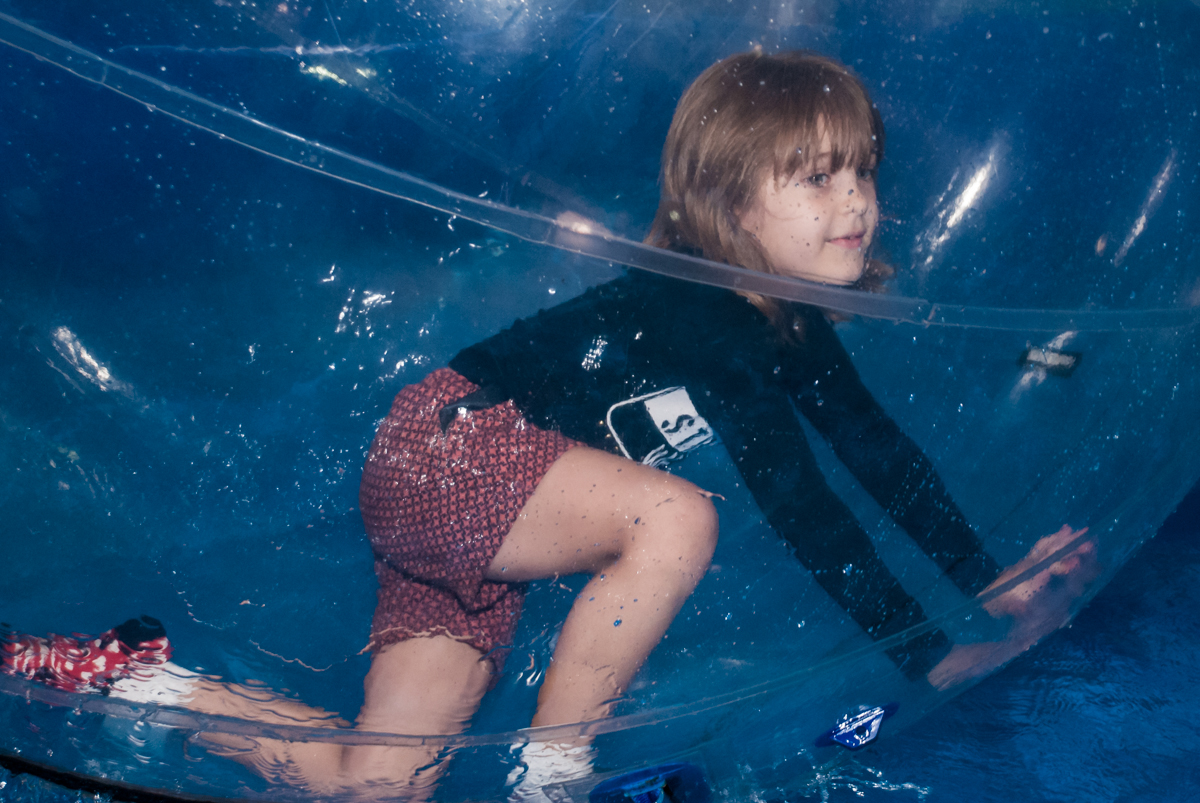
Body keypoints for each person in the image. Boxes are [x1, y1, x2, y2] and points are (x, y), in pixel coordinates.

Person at [3, 50, 1096, 799]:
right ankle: (554, 767)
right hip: (456, 444)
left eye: (862, 169)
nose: (855, 200)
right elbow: (803, 502)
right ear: (726, 205)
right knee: (677, 518)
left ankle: (137, 677)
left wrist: (987, 587)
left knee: (377, 779)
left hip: (466, 514)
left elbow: (878, 455)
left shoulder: (789, 322)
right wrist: (929, 653)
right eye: (815, 178)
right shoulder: (705, 303)